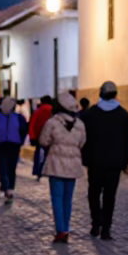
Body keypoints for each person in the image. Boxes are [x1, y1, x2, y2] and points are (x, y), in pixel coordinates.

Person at [82, 81, 128, 240]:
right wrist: (125, 162)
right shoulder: (123, 115)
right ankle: (106, 228)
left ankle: (95, 223)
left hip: (95, 163)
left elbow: (84, 139)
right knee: (110, 196)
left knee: (94, 193)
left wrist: (85, 159)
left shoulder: (91, 114)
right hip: (114, 164)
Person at [39, 92, 87, 243]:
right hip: (72, 167)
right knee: (68, 199)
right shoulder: (80, 125)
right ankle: (66, 227)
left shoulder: (52, 122)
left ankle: (60, 230)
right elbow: (82, 143)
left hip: (56, 166)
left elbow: (44, 141)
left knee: (57, 199)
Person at [0, 97, 28, 202]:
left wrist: (20, 142)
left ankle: (9, 188)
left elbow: (23, 130)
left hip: (13, 145)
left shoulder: (18, 117)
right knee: (3, 168)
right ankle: (7, 188)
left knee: (10, 168)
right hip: (2, 145)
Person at [28, 95, 54, 179]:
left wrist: (32, 137)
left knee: (40, 155)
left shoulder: (38, 111)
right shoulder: (53, 111)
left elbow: (32, 124)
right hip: (53, 137)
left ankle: (39, 172)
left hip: (39, 137)